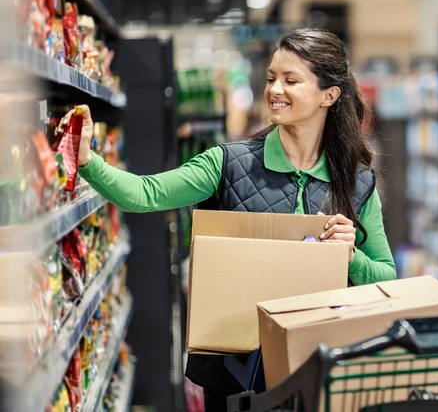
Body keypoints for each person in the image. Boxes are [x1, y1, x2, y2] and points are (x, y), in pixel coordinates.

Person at [61, 28, 396, 411]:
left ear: (329, 95)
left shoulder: (357, 181)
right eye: (271, 78)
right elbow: (144, 194)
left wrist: (349, 255)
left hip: (317, 370)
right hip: (235, 374)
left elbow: (387, 276)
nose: (275, 90)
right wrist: (87, 159)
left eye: (291, 80)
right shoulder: (227, 164)